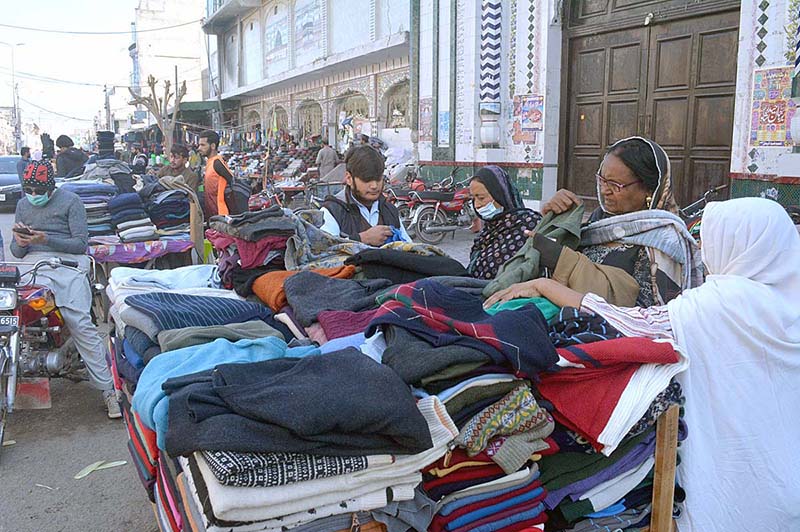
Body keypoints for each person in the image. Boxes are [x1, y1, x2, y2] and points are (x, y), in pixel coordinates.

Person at [485, 197, 800, 532]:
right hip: (788, 485)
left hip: (732, 487)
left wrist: (544, 286)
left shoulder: (712, 306)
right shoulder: (790, 305)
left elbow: (624, 322)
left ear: (736, 246)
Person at [491, 136, 697, 307]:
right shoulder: (598, 225)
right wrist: (553, 222)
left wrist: (562, 262)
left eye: (616, 185)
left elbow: (645, 314)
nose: (605, 190)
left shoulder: (664, 243)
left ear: (649, 190)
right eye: (602, 179)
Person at [9, 160, 120, 419]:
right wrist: (20, 241)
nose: (34, 196)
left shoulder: (71, 202)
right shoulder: (23, 205)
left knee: (79, 322)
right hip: (33, 264)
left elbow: (80, 244)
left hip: (67, 264)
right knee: (13, 315)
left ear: (51, 187)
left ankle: (109, 390)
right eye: (30, 190)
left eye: (39, 191)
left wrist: (45, 239)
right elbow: (17, 251)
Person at [320, 145, 411, 246]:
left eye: (378, 179)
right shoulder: (333, 211)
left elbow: (409, 248)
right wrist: (362, 238)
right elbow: (324, 251)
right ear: (349, 178)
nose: (374, 186)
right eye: (366, 180)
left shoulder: (390, 211)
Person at [468, 165, 542, 280]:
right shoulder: (489, 229)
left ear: (500, 195)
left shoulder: (529, 224)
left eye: (481, 198)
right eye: (473, 199)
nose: (476, 205)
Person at [198, 129, 235, 217]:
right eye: (199, 145)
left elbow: (232, 182)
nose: (199, 148)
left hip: (221, 214)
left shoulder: (217, 163)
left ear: (213, 146)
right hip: (212, 214)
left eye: (203, 145)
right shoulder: (209, 162)